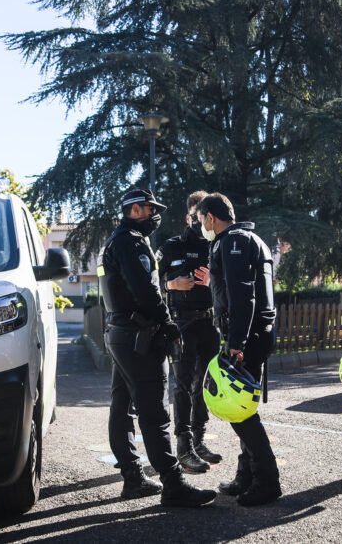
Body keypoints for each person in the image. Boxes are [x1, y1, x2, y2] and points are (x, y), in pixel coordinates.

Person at [99, 188, 216, 508]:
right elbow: (146, 291)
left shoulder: (112, 241)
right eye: (150, 209)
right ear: (135, 210)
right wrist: (168, 324)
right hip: (139, 336)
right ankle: (174, 485)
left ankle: (133, 478)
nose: (155, 215)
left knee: (121, 406)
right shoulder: (132, 242)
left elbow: (109, 292)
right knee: (155, 412)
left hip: (119, 333)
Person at [195, 192, 282, 506]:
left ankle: (268, 481)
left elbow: (243, 295)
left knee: (240, 412)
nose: (200, 225)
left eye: (200, 219)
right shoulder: (249, 239)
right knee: (242, 408)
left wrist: (235, 344)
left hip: (247, 338)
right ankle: (247, 476)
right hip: (255, 334)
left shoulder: (232, 241)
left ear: (211, 217)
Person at [158, 190, 223, 473]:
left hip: (209, 324)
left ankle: (199, 441)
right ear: (190, 216)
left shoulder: (218, 244)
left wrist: (214, 282)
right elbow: (150, 283)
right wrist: (171, 286)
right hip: (182, 323)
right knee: (182, 386)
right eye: (199, 215)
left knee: (204, 385)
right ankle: (183, 449)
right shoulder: (171, 246)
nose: (203, 221)